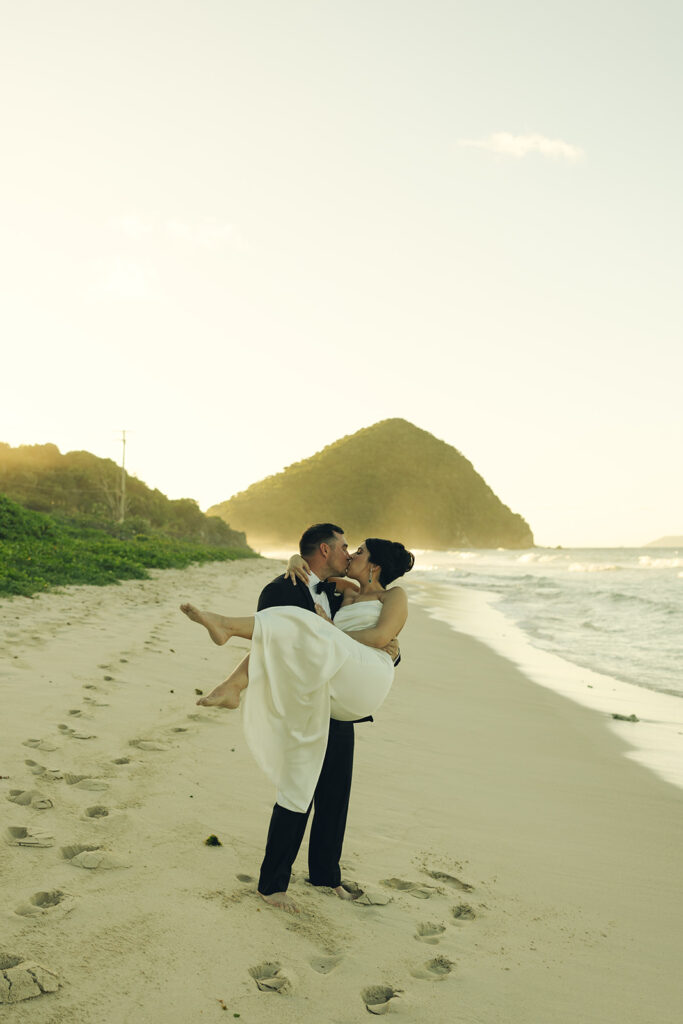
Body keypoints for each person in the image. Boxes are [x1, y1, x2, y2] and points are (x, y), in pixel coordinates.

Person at [180, 526, 414, 913]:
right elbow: (305, 583)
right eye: (346, 548)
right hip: (328, 682)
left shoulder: (394, 595)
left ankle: (228, 634)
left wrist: (327, 629)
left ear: (374, 565)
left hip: (363, 676)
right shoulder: (341, 590)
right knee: (302, 782)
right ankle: (281, 884)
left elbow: (378, 638)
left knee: (304, 626)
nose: (351, 554)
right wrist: (293, 561)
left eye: (358, 551)